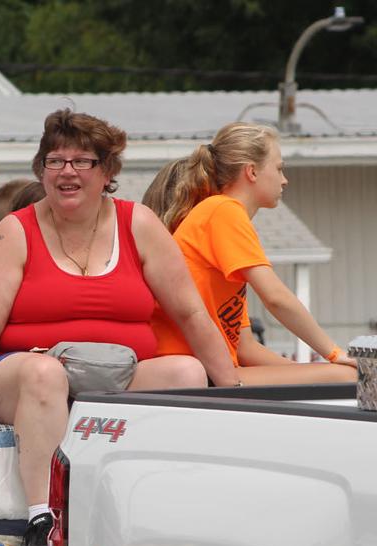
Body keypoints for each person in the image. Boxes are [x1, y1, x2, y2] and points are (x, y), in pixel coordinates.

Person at [0, 110, 238, 546]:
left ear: (107, 172)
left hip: (115, 372)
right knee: (47, 374)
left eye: (82, 161)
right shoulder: (14, 232)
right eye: (54, 160)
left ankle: (168, 507)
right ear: (41, 170)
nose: (66, 171)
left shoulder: (139, 224)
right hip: (24, 373)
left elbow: (190, 313)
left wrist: (234, 391)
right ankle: (44, 521)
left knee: (186, 371)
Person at [151, 123, 358, 384]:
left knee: (343, 376)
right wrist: (334, 353)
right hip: (193, 370)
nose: (285, 179)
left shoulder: (219, 214)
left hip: (215, 368)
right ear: (251, 171)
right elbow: (276, 298)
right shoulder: (222, 211)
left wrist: (301, 372)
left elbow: (244, 347)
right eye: (279, 168)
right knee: (350, 377)